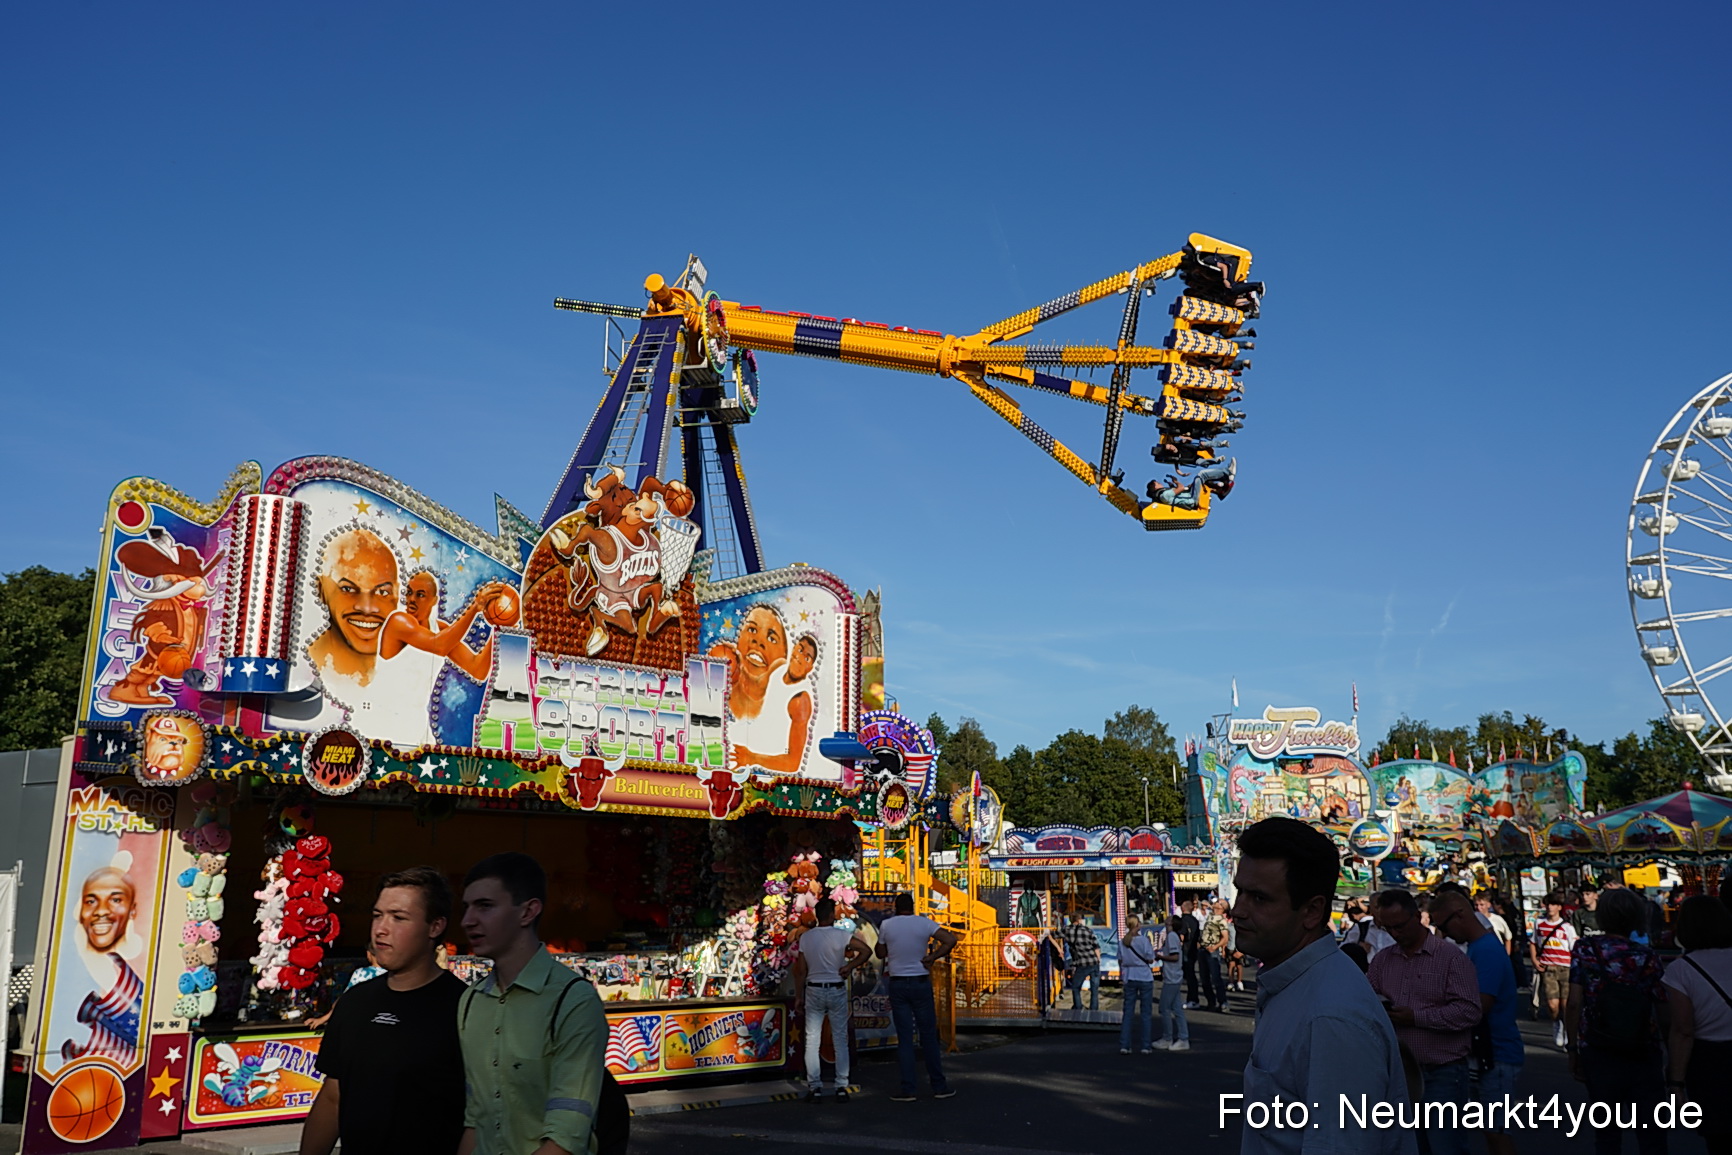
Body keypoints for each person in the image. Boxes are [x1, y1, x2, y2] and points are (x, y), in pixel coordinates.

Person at [1232, 817, 1412, 1155]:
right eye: (1239, 891)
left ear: (1312, 911)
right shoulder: (1293, 986)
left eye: (1258, 898)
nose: (1237, 910)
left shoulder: (1331, 1017)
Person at [457, 852, 617, 1155]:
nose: (468, 921)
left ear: (528, 912)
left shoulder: (573, 1000)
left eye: (485, 906)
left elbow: (566, 1137)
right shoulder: (470, 1001)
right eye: (466, 907)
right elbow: (476, 1120)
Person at [301, 868, 466, 1155]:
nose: (381, 929)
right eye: (378, 915)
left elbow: (481, 1118)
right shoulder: (355, 1002)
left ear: (435, 926)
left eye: (399, 918)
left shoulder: (465, 1009)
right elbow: (332, 1098)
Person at [1368, 890, 1482, 1155]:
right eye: (1388, 928)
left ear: (1418, 917)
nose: (1395, 933)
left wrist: (1417, 1017)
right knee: (1407, 1147)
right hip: (1400, 1072)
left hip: (1443, 1071)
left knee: (1445, 1147)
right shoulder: (1383, 960)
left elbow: (1469, 1012)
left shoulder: (1451, 958)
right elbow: (1365, 999)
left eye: (1400, 925)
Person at [1565, 886, 1668, 1155]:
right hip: (1642, 1046)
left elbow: (1574, 1001)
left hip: (1598, 1044)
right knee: (1651, 1131)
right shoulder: (1646, 956)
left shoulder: (1585, 949)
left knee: (1607, 1132)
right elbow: (1661, 1004)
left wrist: (1573, 1047)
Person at [1432, 885, 1523, 1155]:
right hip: (1489, 1052)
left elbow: (1479, 1005)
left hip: (1497, 1053)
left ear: (1459, 914)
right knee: (1491, 1132)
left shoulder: (1486, 950)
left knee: (1497, 1134)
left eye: (1444, 926)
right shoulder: (1479, 947)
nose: (1445, 934)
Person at [1663, 895, 1732, 1153]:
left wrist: (1676, 1082)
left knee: (1719, 1135)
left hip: (1709, 1060)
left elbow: (1683, 1030)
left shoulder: (1681, 970)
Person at [876, 892, 958, 1101]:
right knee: (928, 1035)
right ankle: (939, 1086)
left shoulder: (887, 925)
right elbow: (950, 940)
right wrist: (932, 957)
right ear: (912, 907)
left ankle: (908, 1088)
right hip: (920, 980)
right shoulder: (925, 923)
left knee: (905, 1038)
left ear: (895, 907)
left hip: (898, 983)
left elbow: (880, 953)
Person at [794, 897, 870, 1102]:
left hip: (813, 989)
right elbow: (866, 951)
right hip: (836, 987)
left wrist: (798, 996)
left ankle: (815, 1087)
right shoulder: (842, 935)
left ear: (817, 916)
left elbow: (801, 971)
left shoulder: (806, 938)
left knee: (812, 1040)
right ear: (831, 915)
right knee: (839, 1039)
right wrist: (848, 967)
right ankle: (841, 1085)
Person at [1530, 892, 1579, 1048]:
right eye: (1548, 904)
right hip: (1548, 968)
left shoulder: (1567, 927)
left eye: (1553, 905)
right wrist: (1534, 960)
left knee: (1566, 1004)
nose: (1550, 908)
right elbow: (1532, 942)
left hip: (1565, 968)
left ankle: (1566, 1031)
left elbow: (1574, 948)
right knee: (1552, 1005)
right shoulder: (1539, 923)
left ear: (1559, 907)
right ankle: (1556, 1022)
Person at [1118, 915, 1157, 1054]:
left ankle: (1125, 1044)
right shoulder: (1144, 940)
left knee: (1128, 1012)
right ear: (1137, 925)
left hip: (1129, 976)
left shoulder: (1123, 942)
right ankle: (1145, 1045)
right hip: (1144, 976)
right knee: (1145, 1013)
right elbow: (1151, 959)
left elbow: (1120, 960)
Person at [1154, 912, 1190, 1051]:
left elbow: (1174, 957)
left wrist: (1160, 957)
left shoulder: (1172, 937)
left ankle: (1167, 1037)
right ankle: (1182, 1037)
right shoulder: (1172, 937)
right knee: (1177, 1009)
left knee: (1164, 1008)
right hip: (1174, 976)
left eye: (1168, 920)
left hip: (1172, 977)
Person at [1062, 912, 1102, 1012]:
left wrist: (1058, 947)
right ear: (1079, 920)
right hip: (1094, 962)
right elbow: (1096, 947)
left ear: (1071, 920)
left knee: (1075, 987)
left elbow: (1053, 934)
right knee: (1094, 989)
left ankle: (1078, 1007)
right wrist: (1098, 960)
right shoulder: (1088, 930)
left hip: (1082, 963)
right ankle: (1094, 1009)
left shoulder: (1067, 930)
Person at [1201, 900, 1231, 1011]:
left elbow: (1225, 938)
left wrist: (1215, 946)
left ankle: (1223, 1002)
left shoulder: (1221, 920)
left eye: (1218, 902)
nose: (1215, 902)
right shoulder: (1210, 916)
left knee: (1215, 977)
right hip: (1203, 949)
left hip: (1211, 950)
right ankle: (1211, 1001)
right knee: (1204, 978)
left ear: (1222, 907)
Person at [1179, 899, 1203, 1008]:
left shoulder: (1183, 921)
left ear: (1183, 908)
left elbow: (1182, 937)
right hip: (1193, 950)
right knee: (1191, 975)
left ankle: (1192, 999)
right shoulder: (1195, 920)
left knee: (1189, 976)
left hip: (1185, 950)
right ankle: (1193, 999)